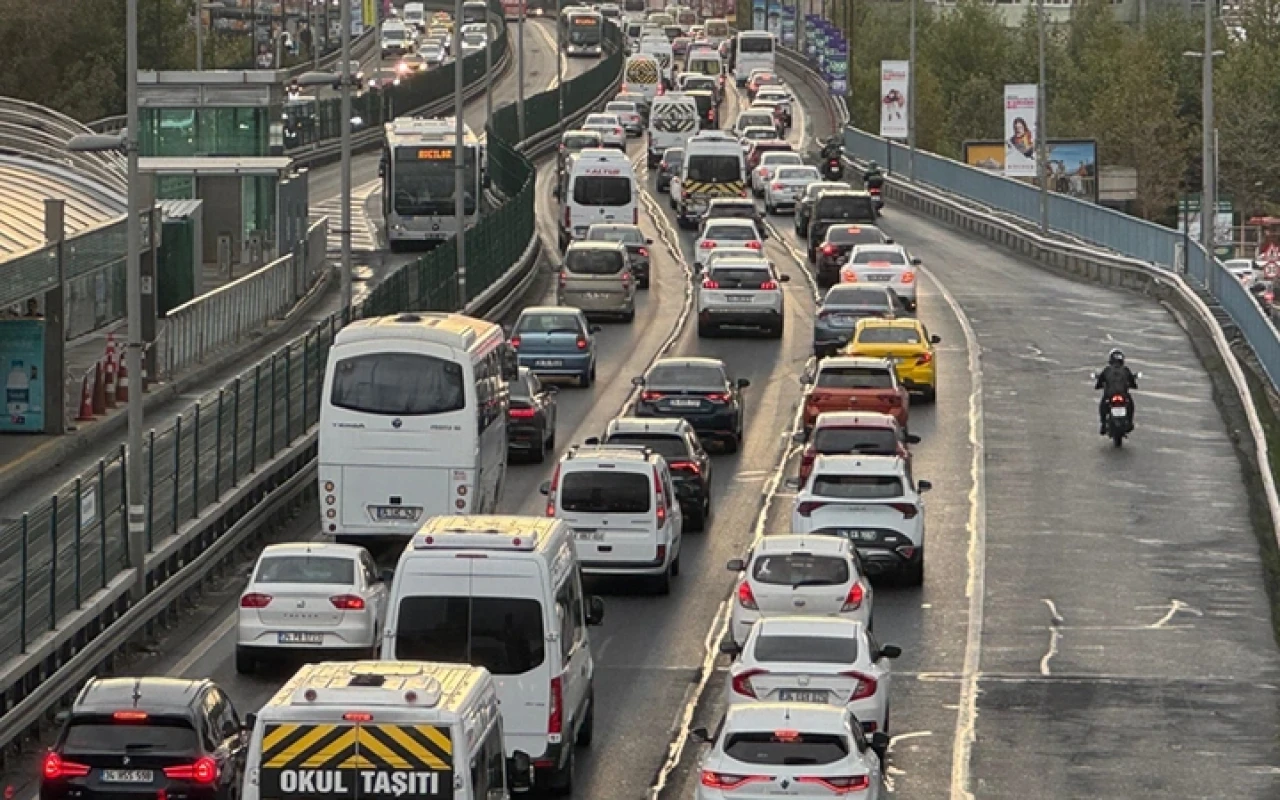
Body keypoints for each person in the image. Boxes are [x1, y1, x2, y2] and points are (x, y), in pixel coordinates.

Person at [1095, 348, 1138, 434]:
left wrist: (1098, 386)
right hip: (1123, 395)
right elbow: (1133, 383)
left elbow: (1100, 381)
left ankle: (1103, 424)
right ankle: (1129, 422)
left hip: (1110, 395)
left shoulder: (1107, 370)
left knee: (1103, 405)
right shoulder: (1125, 370)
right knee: (1131, 405)